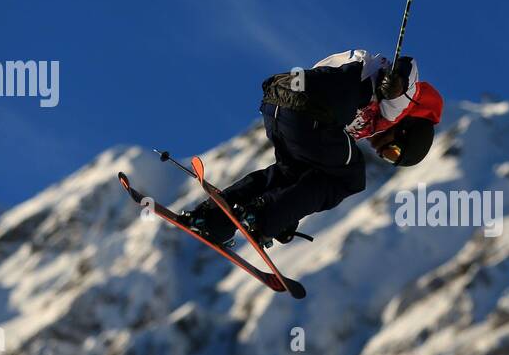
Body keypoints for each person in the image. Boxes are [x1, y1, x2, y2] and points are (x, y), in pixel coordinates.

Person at [186, 49, 443, 247]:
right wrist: (398, 82)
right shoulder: (402, 105)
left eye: (388, 158)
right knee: (351, 179)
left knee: (290, 174)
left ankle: (211, 219)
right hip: (311, 107)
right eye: (392, 152)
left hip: (279, 100)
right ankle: (264, 215)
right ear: (406, 130)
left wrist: (289, 211)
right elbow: (408, 68)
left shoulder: (370, 116)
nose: (380, 152)